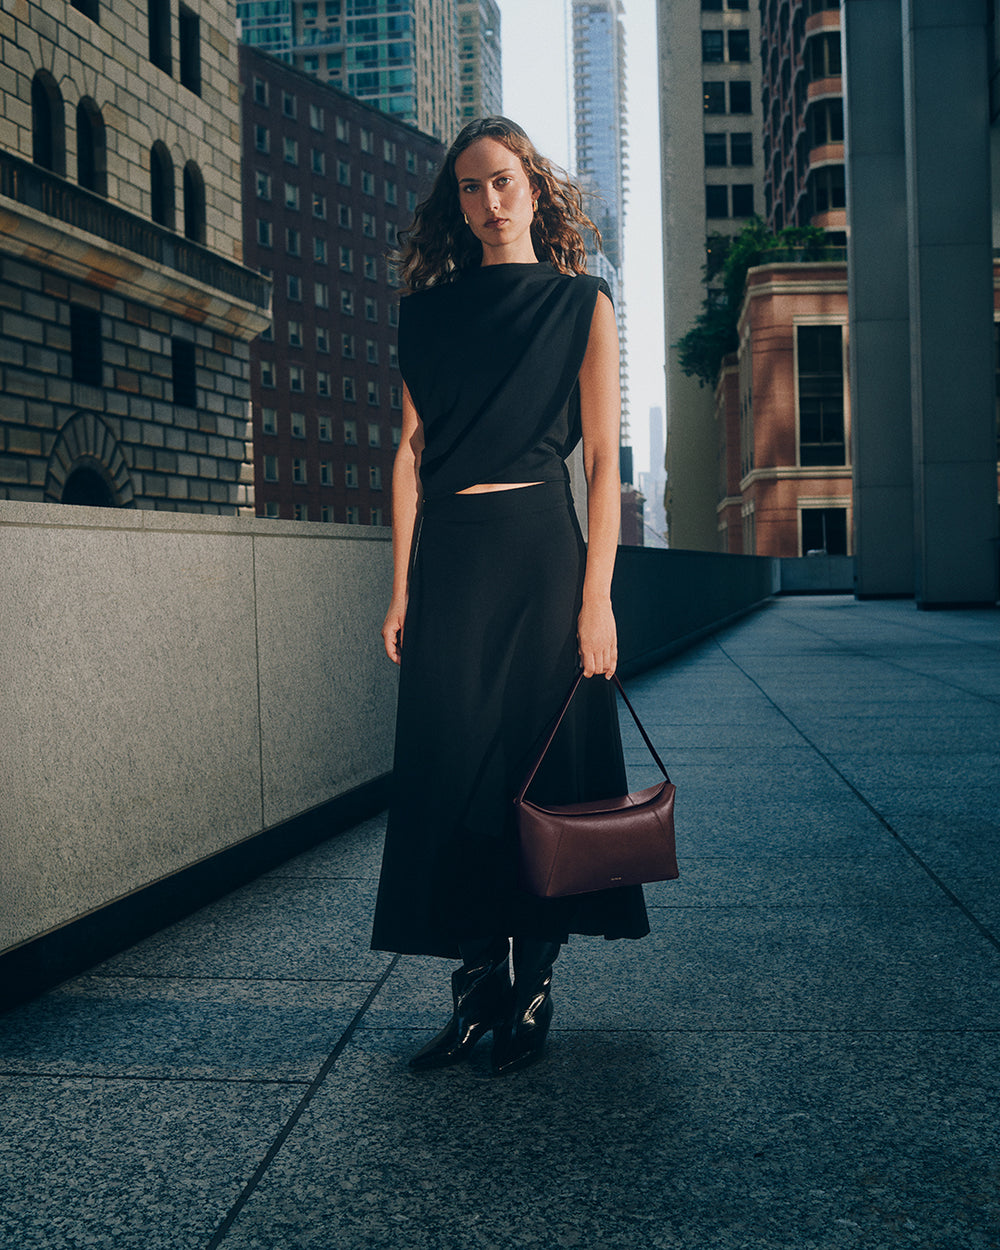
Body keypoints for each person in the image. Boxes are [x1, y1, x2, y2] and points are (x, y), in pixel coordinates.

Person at [371, 117, 649, 1077]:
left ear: (534, 186)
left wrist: (598, 598)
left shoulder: (583, 304)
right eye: (468, 189)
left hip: (542, 555)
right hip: (450, 555)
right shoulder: (429, 311)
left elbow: (608, 464)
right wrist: (402, 585)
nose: (486, 203)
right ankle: (476, 987)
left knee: (542, 771)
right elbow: (407, 455)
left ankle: (531, 992)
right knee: (452, 770)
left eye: (501, 182)